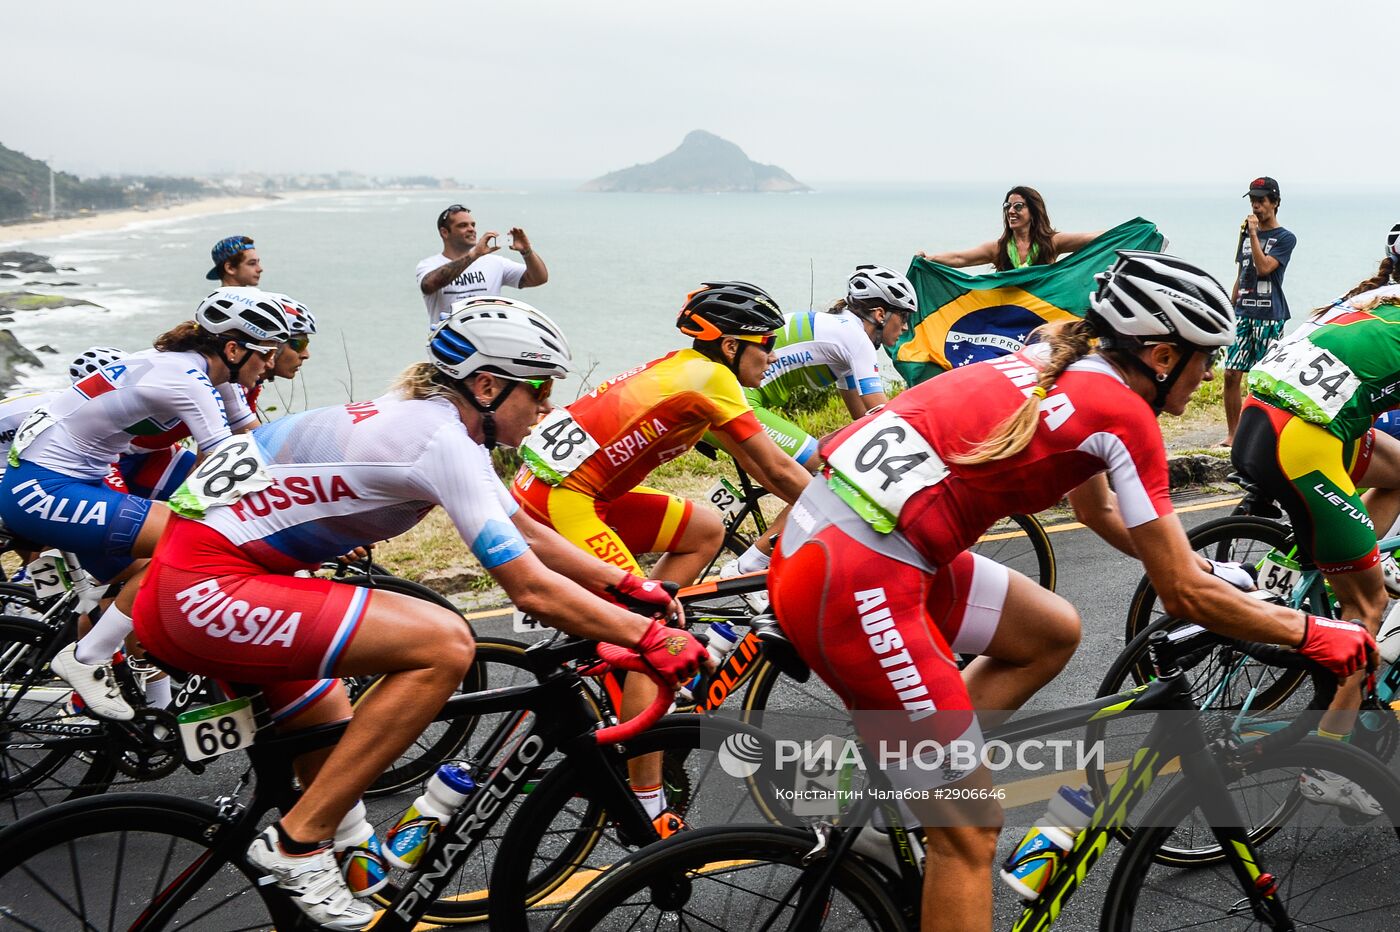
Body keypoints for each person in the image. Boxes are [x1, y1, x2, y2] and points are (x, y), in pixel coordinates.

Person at [766, 250, 1375, 932]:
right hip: (861, 578)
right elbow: (1182, 598)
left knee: (1049, 630)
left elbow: (1098, 513)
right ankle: (928, 807)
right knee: (970, 830)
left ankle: (904, 799)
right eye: (1207, 355)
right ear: (1164, 354)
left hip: (836, 546)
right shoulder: (1123, 414)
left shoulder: (1060, 357)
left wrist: (1201, 576)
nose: (1210, 369)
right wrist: (1317, 633)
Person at [129, 297, 707, 930]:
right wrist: (651, 637)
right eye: (538, 387)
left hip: (200, 584)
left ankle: (338, 852)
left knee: (333, 721)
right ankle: (296, 844)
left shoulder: (436, 425)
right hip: (205, 592)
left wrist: (628, 585)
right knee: (443, 644)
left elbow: (524, 531)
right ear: (487, 386)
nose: (548, 405)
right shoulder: (439, 440)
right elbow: (529, 590)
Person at [510, 281, 811, 828]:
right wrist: (843, 513)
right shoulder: (712, 379)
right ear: (729, 346)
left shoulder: (685, 368)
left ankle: (625, 648)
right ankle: (645, 799)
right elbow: (777, 471)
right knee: (652, 634)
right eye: (763, 342)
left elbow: (756, 456)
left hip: (583, 491)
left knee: (704, 528)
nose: (771, 354)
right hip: (560, 500)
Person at [16, 288, 291, 720]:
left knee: (146, 574)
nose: (272, 364)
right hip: (43, 485)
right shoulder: (187, 380)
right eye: (267, 353)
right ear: (234, 348)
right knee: (189, 543)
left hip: (77, 480)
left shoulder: (214, 375)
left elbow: (255, 444)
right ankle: (87, 658)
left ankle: (138, 680)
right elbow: (226, 464)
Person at [739, 265, 914, 472]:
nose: (905, 327)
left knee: (814, 473)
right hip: (741, 403)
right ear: (880, 314)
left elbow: (864, 418)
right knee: (825, 470)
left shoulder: (846, 333)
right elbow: (882, 414)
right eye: (904, 317)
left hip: (738, 398)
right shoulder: (857, 339)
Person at [1221, 176, 1297, 446]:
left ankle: (1266, 437)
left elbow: (1265, 267)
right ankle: (1233, 435)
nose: (1256, 206)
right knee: (1231, 374)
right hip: (1243, 311)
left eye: (1262, 201)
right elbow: (1242, 271)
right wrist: (1230, 307)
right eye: (1253, 200)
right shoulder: (1245, 232)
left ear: (1275, 203)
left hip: (1270, 316)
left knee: (1265, 381)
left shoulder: (1285, 238)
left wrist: (1253, 234)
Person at [416, 204, 548, 327]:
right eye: (463, 225)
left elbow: (539, 278)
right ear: (445, 232)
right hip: (450, 346)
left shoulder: (496, 263)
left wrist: (527, 251)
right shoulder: (429, 264)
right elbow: (429, 285)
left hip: (488, 344)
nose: (471, 229)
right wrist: (474, 255)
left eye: (473, 225)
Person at [916, 186, 1104, 270]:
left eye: (1018, 206)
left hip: (1041, 316)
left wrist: (1128, 232)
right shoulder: (998, 248)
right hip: (1008, 320)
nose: (1011, 211)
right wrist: (929, 258)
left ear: (1033, 211)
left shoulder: (1052, 242)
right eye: (1008, 206)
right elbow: (960, 258)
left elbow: (1093, 238)